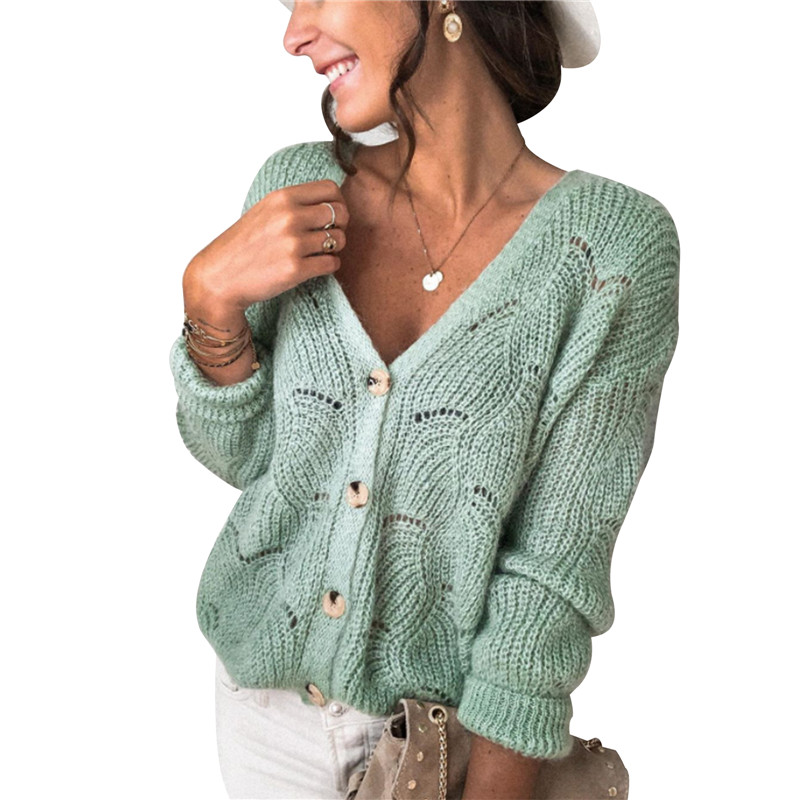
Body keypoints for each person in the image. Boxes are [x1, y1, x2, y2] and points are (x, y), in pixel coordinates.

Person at [169, 1, 679, 798]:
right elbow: (251, 459)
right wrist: (210, 305)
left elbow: (551, 572)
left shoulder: (610, 250)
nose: (293, 35)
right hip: (259, 714)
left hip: (445, 748)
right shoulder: (298, 191)